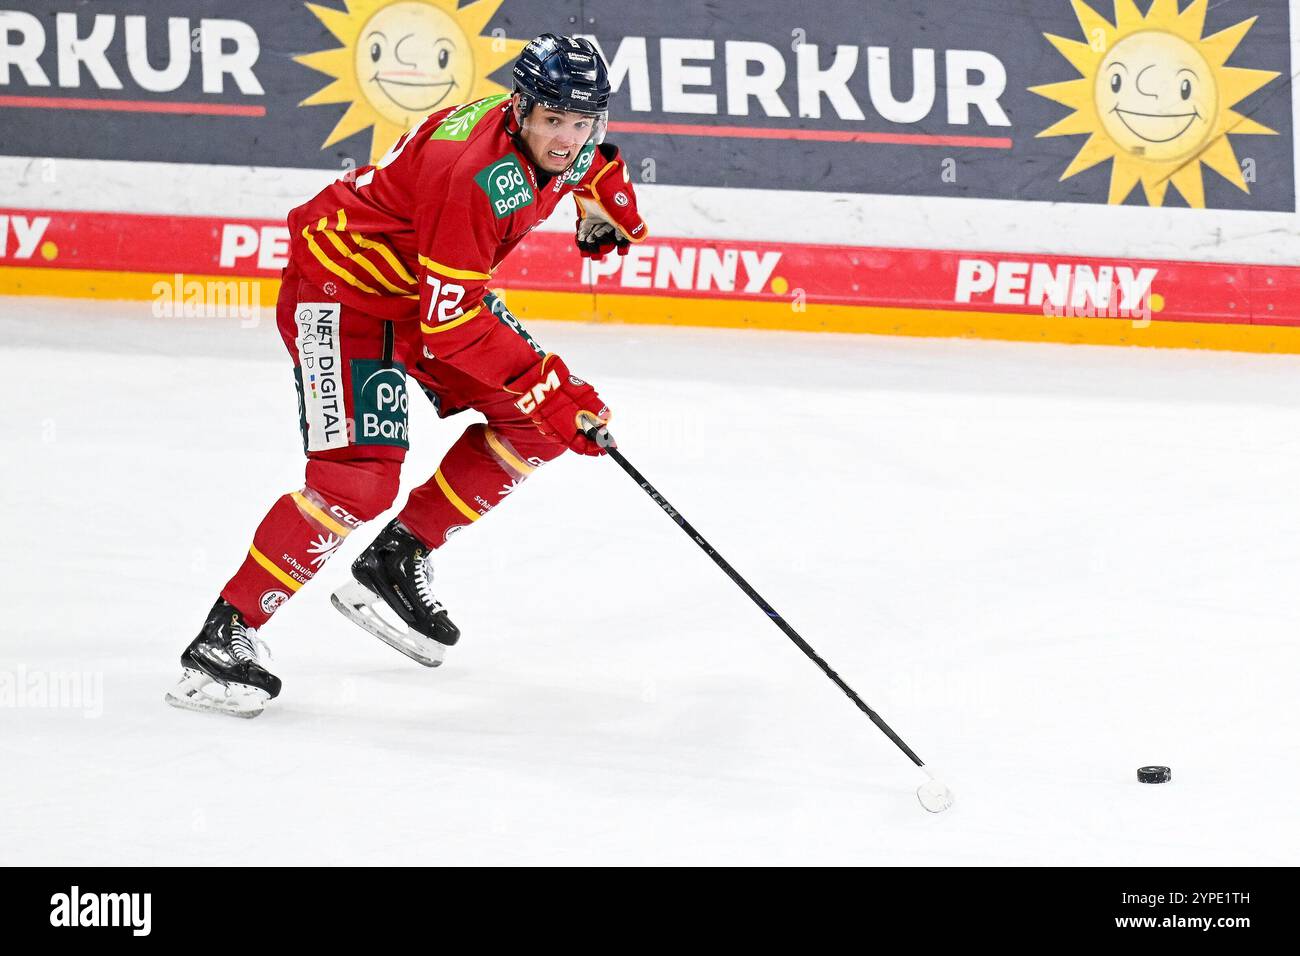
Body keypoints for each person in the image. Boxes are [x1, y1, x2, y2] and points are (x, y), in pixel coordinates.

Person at [166, 34, 647, 718]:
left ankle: (395, 559)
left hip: (419, 294)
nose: (565, 139)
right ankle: (223, 638)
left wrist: (606, 211)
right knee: (356, 483)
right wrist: (550, 385)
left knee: (537, 423)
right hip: (344, 294)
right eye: (552, 121)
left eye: (580, 122)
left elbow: (591, 165)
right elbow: (453, 327)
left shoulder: (559, 138)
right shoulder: (475, 178)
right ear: (520, 108)